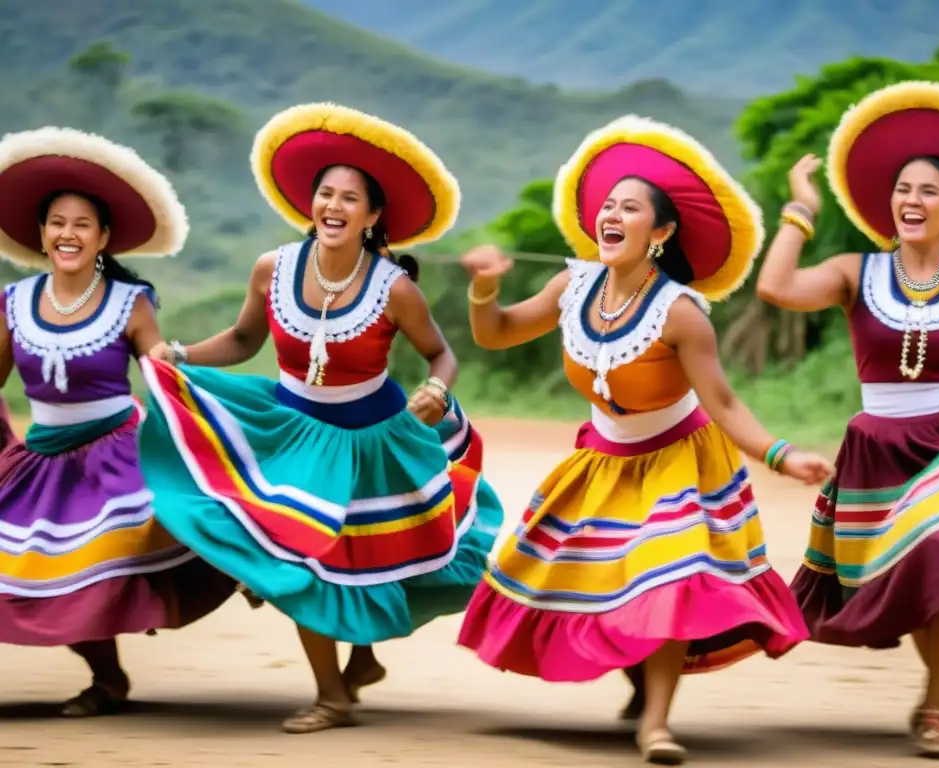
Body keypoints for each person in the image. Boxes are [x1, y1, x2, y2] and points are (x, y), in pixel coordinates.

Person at [455, 114, 834, 765]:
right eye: (608, 206)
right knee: (603, 580)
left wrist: (781, 454)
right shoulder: (572, 284)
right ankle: (639, 681)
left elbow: (722, 403)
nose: (612, 214)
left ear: (659, 233)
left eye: (630, 208)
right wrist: (485, 287)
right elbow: (496, 333)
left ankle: (656, 724)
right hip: (602, 461)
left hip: (679, 460)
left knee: (667, 576)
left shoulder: (681, 313)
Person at [140, 102, 504, 733]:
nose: (333, 206)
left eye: (350, 198)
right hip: (292, 430)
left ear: (372, 216)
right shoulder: (271, 269)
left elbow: (442, 355)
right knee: (303, 559)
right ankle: (335, 688)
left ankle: (353, 671)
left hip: (374, 440)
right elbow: (242, 339)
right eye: (325, 195)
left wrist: (436, 394)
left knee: (360, 560)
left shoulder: (395, 288)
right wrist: (179, 355)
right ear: (310, 205)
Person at [755, 81, 939, 759]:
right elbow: (776, 287)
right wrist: (799, 210)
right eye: (904, 188)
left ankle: (932, 710)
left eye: (929, 191)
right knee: (909, 571)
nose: (911, 200)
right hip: (877, 449)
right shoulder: (855, 272)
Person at [0, 126, 236, 716]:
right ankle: (108, 676)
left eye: (82, 224)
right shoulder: (13, 302)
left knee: (101, 558)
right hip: (41, 460)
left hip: (115, 455)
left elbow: (160, 370)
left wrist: (205, 428)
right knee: (27, 565)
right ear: (42, 233)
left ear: (103, 237)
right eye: (57, 222)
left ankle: (109, 681)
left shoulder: (129, 302)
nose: (67, 234)